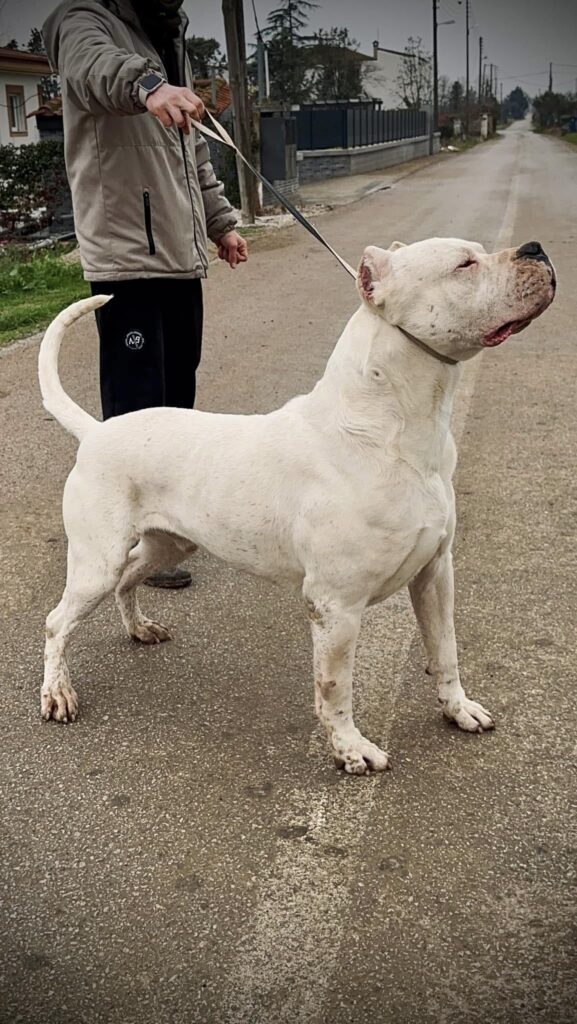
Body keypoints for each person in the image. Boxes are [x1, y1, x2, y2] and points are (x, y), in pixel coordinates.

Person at [43, 0, 248, 588]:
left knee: (177, 401)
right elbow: (91, 66)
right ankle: (127, 532)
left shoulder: (166, 39)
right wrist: (148, 85)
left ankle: (169, 526)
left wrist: (220, 222)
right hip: (126, 254)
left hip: (180, 256)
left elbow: (193, 151)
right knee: (138, 403)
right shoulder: (82, 19)